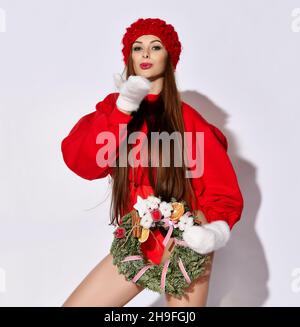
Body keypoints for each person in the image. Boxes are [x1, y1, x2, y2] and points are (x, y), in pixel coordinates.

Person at [60, 18, 244, 307]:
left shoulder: (190, 122)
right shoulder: (113, 110)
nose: (145, 54)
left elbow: (224, 191)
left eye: (155, 47)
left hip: (186, 244)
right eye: (137, 48)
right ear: (129, 57)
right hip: (138, 240)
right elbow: (85, 163)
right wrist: (123, 109)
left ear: (169, 57)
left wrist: (208, 232)